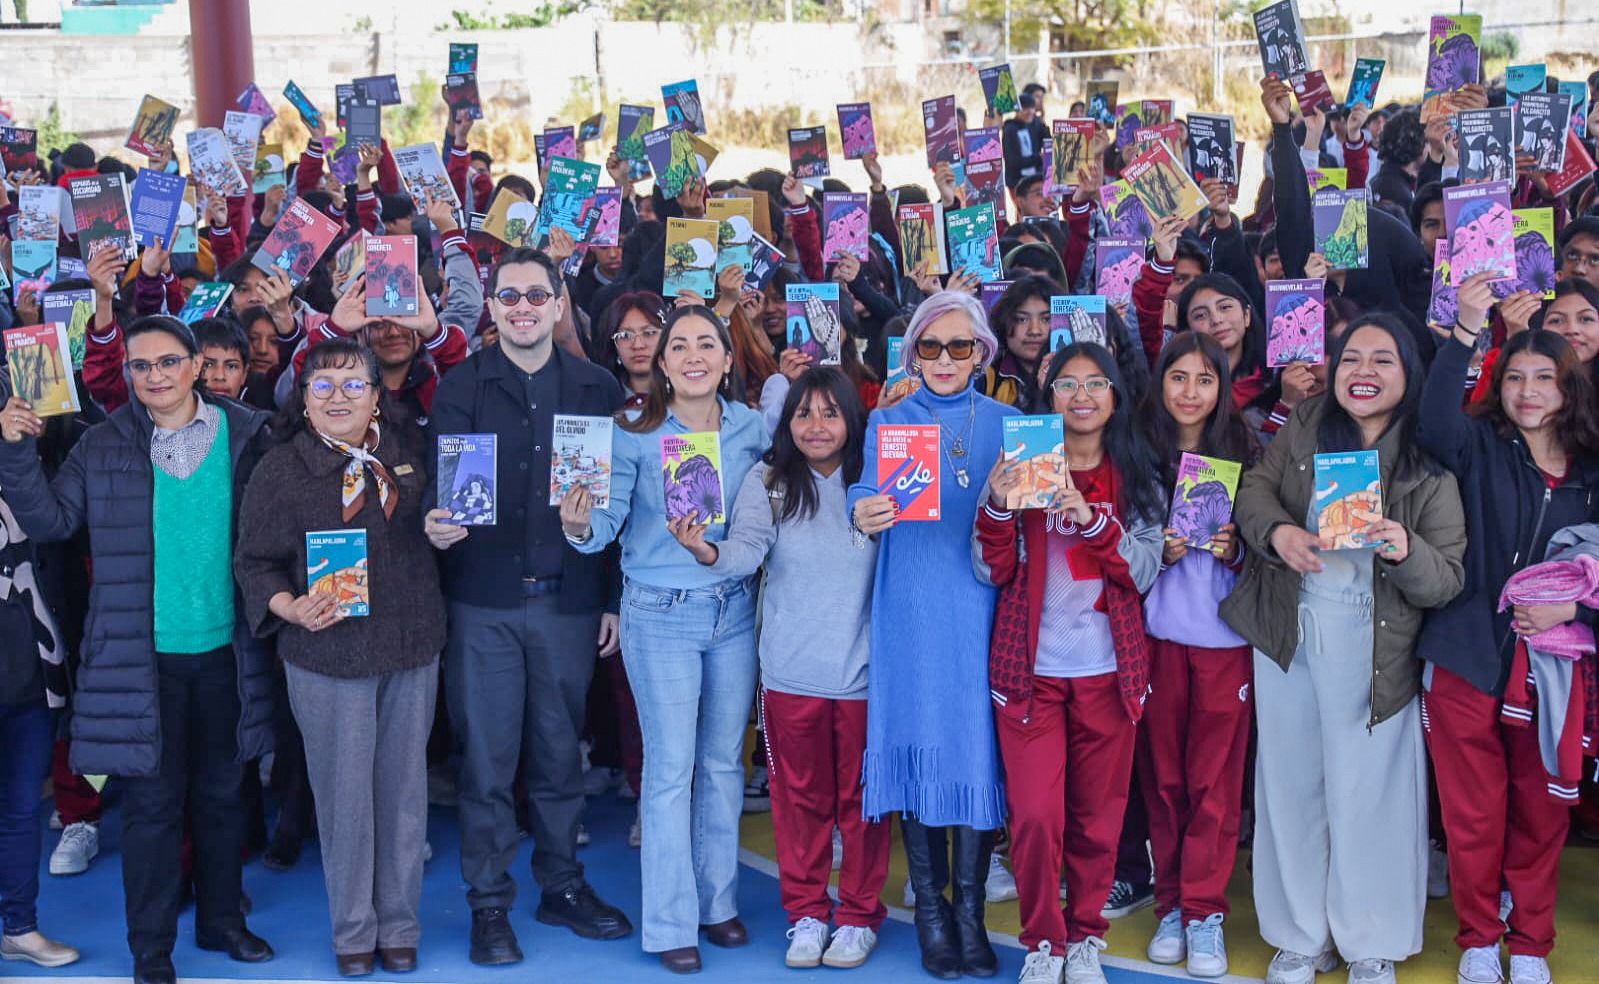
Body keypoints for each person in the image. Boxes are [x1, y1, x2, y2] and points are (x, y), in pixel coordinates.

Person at [0, 315, 277, 984]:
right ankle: (151, 948)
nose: (155, 375)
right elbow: (50, 521)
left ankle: (222, 922)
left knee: (222, 797)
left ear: (195, 365)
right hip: (138, 660)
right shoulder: (100, 444)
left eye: (168, 361)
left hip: (228, 653)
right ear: (127, 373)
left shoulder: (248, 434)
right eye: (141, 365)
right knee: (152, 810)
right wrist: (13, 451)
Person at [1221, 314, 1467, 984]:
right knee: (1290, 783)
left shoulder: (1426, 458)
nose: (1363, 372)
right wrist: (1277, 534)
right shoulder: (1306, 424)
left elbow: (1446, 579)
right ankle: (1300, 936)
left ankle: (1369, 940)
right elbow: (1253, 490)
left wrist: (1405, 549)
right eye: (1351, 357)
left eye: (1383, 360)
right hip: (1291, 630)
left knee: (1370, 794)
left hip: (1375, 643)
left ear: (1410, 374)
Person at [426, 247, 632, 965]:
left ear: (558, 304)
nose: (522, 308)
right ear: (490, 306)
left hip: (569, 603)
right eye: (508, 296)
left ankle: (561, 886)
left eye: (535, 296)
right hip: (481, 604)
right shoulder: (459, 386)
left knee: (558, 755)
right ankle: (488, 904)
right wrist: (432, 523)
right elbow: (438, 491)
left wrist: (610, 598)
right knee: (485, 764)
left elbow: (619, 508)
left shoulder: (597, 387)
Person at [561, 305, 767, 974]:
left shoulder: (752, 428)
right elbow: (606, 524)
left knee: (723, 764)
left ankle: (717, 902)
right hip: (661, 612)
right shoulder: (631, 432)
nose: (693, 355)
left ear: (728, 359)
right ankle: (671, 921)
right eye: (679, 345)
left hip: (733, 609)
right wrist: (578, 524)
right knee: (671, 769)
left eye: (707, 343)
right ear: (661, 361)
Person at [233, 338, 444, 977]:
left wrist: (444, 528)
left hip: (411, 644)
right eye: (322, 385)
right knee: (344, 798)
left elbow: (445, 520)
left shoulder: (409, 451)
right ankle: (354, 930)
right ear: (303, 398)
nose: (338, 397)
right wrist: (290, 607)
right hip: (327, 653)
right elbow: (253, 563)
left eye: (354, 384)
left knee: (404, 794)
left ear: (377, 395)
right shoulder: (280, 468)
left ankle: (400, 924)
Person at [671, 368, 888, 970]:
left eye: (830, 413)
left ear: (852, 420)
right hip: (790, 673)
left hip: (866, 677)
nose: (816, 426)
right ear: (786, 422)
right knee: (799, 806)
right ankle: (808, 915)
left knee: (864, 809)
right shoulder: (767, 482)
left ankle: (858, 918)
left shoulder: (877, 482)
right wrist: (705, 550)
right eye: (803, 413)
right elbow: (745, 552)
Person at [1418, 274, 1599, 984]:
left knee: (1541, 814)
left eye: (1544, 378)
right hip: (1465, 656)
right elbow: (1434, 422)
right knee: (1471, 815)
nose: (1528, 391)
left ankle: (1528, 945)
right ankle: (1477, 938)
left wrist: (1574, 613)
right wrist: (1467, 330)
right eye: (1515, 377)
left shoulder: (1592, 471)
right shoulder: (1479, 444)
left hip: (1553, 672)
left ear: (1569, 388)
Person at [976, 342, 1164, 984]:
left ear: (1115, 396)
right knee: (1034, 817)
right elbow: (989, 568)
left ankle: (1085, 936)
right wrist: (997, 506)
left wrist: (1091, 521)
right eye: (1066, 384)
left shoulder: (1135, 473)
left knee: (1098, 819)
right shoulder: (1021, 464)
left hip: (1109, 675)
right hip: (1029, 677)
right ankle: (1043, 942)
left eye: (1095, 383)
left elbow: (1143, 571)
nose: (1081, 396)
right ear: (1047, 394)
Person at [848, 291, 1017, 980]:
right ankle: (931, 913)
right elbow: (862, 492)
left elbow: (1032, 518)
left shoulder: (1010, 424)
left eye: (960, 346)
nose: (945, 359)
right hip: (910, 609)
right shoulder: (887, 420)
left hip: (981, 610)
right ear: (912, 352)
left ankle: (969, 913)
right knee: (918, 746)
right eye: (930, 346)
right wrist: (863, 511)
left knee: (973, 751)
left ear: (982, 354)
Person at [1134, 332, 1258, 978]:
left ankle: (1205, 911)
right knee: (1165, 781)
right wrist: (1157, 551)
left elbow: (1264, 549)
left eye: (1204, 380)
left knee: (1214, 785)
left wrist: (1235, 549)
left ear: (1221, 388)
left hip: (1224, 644)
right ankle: (1172, 906)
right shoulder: (1137, 452)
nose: (1189, 392)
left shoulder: (1245, 453)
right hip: (1158, 641)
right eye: (1178, 377)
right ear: (1160, 383)